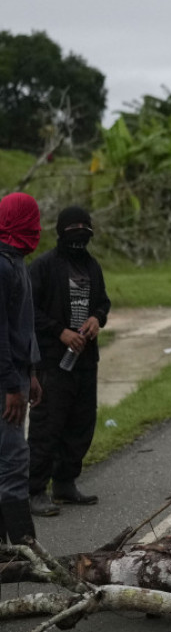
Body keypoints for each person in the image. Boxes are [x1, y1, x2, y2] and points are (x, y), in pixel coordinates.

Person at [28, 206, 111, 516]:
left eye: (84, 228)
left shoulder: (92, 266)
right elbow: (29, 311)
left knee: (81, 424)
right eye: (73, 228)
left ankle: (65, 483)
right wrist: (59, 332)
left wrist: (97, 318)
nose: (79, 234)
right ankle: (34, 490)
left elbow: (103, 302)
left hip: (85, 361)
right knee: (47, 425)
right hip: (52, 361)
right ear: (61, 232)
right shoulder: (43, 267)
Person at [0, 193, 43, 544]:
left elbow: (23, 326)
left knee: (9, 459)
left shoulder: (17, 262)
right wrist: (12, 386)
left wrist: (32, 372)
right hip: (6, 382)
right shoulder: (2, 267)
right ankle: (25, 549)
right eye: (32, 219)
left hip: (18, 375)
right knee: (14, 461)